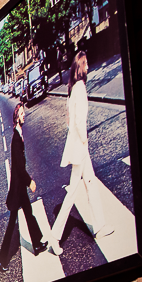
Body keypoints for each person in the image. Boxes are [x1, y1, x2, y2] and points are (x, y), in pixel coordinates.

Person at [48, 51, 112, 254]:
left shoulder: (72, 89)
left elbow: (68, 121)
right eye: (85, 64)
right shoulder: (80, 88)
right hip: (80, 147)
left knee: (90, 183)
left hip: (77, 146)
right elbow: (77, 121)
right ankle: (54, 237)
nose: (88, 67)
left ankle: (100, 227)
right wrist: (84, 140)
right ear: (80, 67)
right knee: (73, 192)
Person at [0, 102, 47, 271]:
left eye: (24, 113)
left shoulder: (19, 134)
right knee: (12, 224)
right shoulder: (16, 139)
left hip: (20, 187)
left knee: (29, 213)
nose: (24, 115)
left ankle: (37, 243)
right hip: (18, 188)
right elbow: (19, 166)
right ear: (16, 118)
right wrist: (29, 181)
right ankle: (2, 260)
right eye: (22, 114)